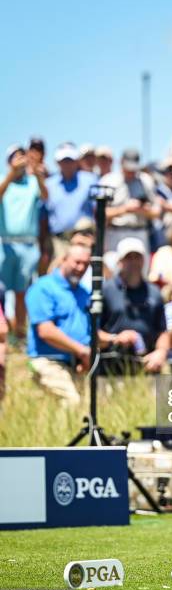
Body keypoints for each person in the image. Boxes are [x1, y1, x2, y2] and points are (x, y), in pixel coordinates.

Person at [25, 244, 91, 406]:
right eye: (77, 262)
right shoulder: (43, 288)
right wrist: (81, 350)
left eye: (85, 264)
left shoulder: (84, 293)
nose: (81, 268)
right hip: (47, 361)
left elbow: (89, 330)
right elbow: (46, 331)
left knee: (88, 408)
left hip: (77, 363)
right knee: (71, 401)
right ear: (63, 260)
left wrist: (114, 339)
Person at [99, 237, 169, 374]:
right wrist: (115, 338)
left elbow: (163, 331)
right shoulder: (106, 290)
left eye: (137, 257)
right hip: (111, 368)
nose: (133, 262)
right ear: (119, 262)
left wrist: (160, 352)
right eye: (128, 258)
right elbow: (93, 333)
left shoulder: (154, 292)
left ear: (143, 260)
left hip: (147, 367)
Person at [0, 145, 48, 338]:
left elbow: (45, 196)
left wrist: (37, 174)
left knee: (22, 292)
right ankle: (3, 335)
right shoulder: (4, 181)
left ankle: (19, 335)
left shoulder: (32, 182)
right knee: (1, 291)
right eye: (15, 157)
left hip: (28, 244)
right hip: (5, 244)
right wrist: (11, 175)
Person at [100, 149, 161, 258]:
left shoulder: (146, 180)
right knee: (114, 268)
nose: (131, 172)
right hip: (115, 232)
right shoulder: (108, 180)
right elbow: (99, 214)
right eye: (128, 168)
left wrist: (142, 210)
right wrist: (125, 209)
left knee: (141, 271)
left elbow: (157, 212)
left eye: (134, 168)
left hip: (140, 232)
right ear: (121, 162)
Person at [46, 143, 96, 260]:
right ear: (57, 162)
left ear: (77, 161)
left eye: (70, 160)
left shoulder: (90, 180)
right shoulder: (49, 184)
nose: (67, 164)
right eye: (64, 160)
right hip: (58, 243)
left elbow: (97, 212)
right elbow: (44, 217)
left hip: (85, 241)